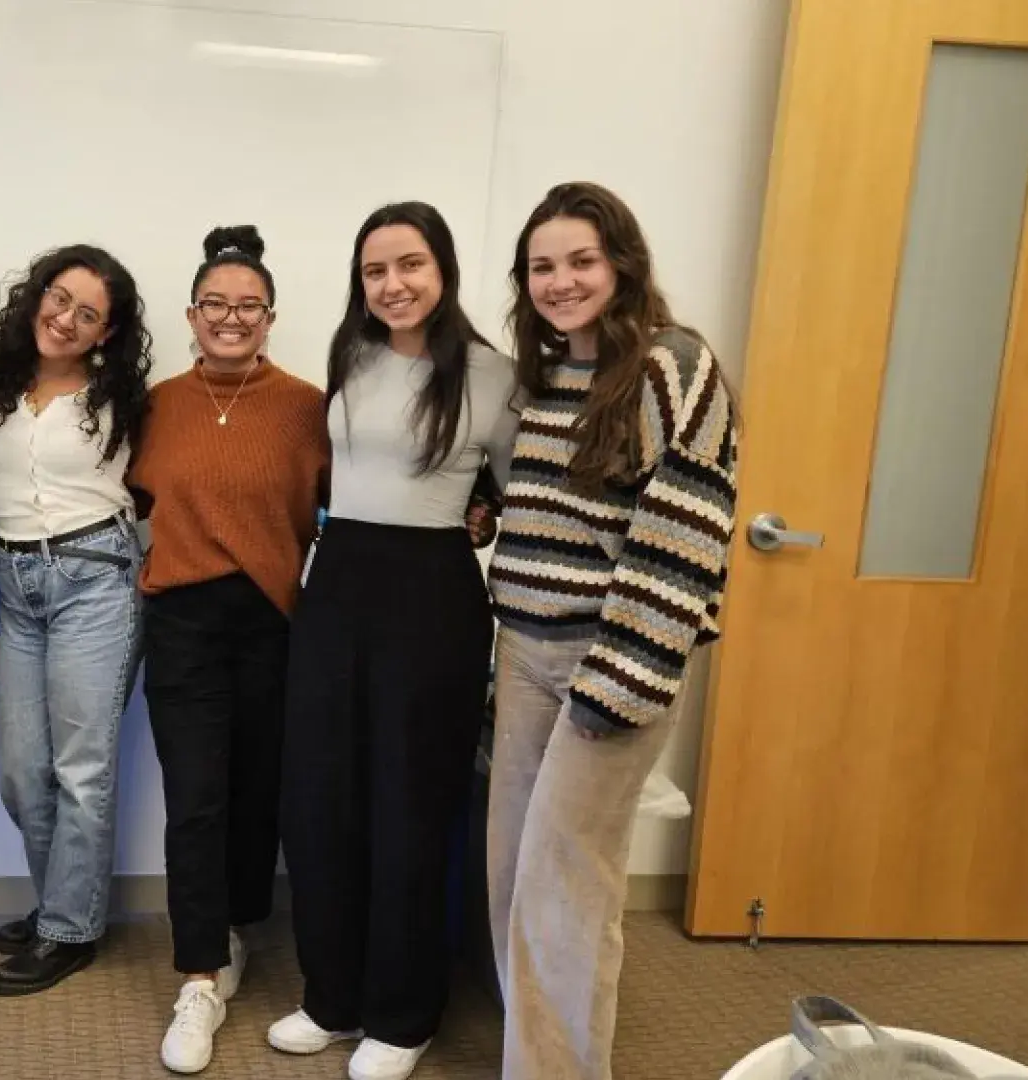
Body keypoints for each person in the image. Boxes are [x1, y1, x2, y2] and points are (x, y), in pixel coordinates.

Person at [486, 181, 738, 1080]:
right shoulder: (545, 376)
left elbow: (686, 536)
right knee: (517, 874)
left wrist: (619, 684)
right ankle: (541, 1054)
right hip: (521, 652)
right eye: (542, 266)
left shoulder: (675, 366)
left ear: (621, 264)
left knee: (564, 888)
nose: (561, 281)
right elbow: (542, 507)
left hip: (611, 658)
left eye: (580, 261)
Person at [271, 201, 519, 1080]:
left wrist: (483, 516)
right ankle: (332, 998)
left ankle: (403, 1015)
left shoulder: (492, 375)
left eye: (410, 265)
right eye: (375, 271)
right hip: (337, 587)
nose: (393, 285)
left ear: (442, 269)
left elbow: (521, 497)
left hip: (431, 598)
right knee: (321, 800)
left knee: (411, 807)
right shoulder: (352, 355)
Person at [126, 225, 331, 1074]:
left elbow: (355, 497)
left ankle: (240, 927)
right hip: (181, 620)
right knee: (197, 800)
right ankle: (199, 976)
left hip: (274, 621)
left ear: (271, 317)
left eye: (249, 306)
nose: (233, 318)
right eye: (218, 305)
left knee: (259, 795)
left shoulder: (307, 406)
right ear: (192, 314)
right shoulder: (155, 403)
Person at [0, 244, 153, 996]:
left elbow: (173, 484)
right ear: (36, 294)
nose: (66, 319)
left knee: (83, 768)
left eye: (89, 314)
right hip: (15, 580)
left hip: (96, 580)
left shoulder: (125, 402)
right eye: (60, 298)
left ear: (106, 333)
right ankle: (60, 909)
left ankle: (69, 928)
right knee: (20, 772)